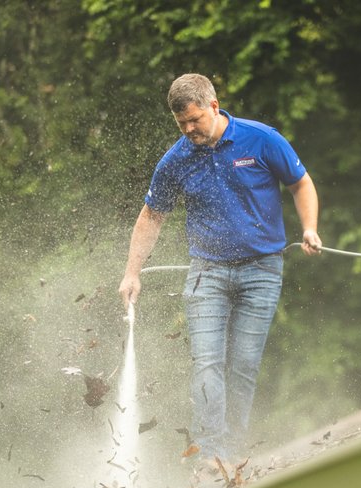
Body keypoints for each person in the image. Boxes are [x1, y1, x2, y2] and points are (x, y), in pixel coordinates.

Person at [118, 73, 322, 465]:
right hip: (206, 274)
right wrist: (132, 272)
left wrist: (309, 228)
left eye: (195, 120)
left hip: (262, 271)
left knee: (243, 366)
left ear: (214, 106)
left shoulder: (260, 139)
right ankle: (209, 458)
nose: (190, 130)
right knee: (207, 362)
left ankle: (233, 454)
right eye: (182, 124)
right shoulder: (176, 160)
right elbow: (152, 216)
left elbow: (301, 183)